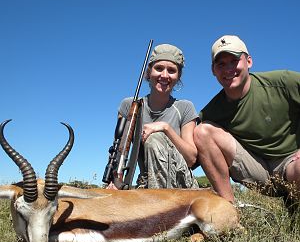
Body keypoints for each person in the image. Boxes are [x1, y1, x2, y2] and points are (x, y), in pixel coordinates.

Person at [194, 35, 300, 204]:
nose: (228, 69)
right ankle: (228, 210)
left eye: (234, 60)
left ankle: (294, 204)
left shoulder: (284, 82)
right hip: (257, 171)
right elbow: (193, 158)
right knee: (202, 131)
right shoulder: (210, 112)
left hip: (292, 164)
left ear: (249, 61)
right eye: (221, 64)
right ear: (213, 70)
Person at [109, 43, 199, 189]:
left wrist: (165, 128)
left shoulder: (185, 107)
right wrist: (114, 180)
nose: (164, 75)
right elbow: (119, 150)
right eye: (158, 68)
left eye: (171, 70)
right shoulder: (128, 106)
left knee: (155, 138)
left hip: (181, 184)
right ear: (149, 72)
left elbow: (191, 159)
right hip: (147, 182)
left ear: (178, 76)